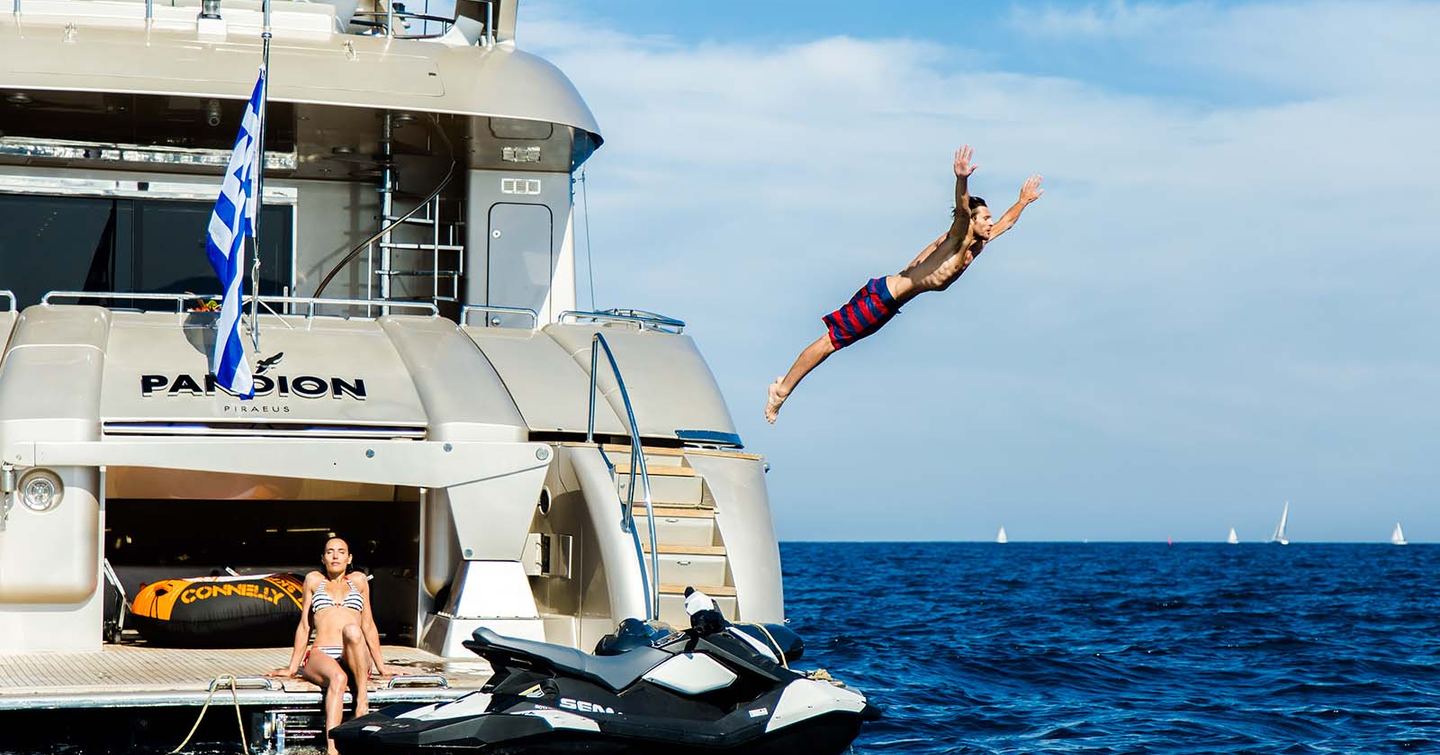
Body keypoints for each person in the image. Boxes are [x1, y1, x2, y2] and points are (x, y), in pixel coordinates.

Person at [765, 145, 1043, 423]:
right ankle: (781, 390)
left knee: (837, 344)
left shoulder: (976, 245)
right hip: (881, 298)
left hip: (889, 304)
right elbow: (961, 210)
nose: (990, 222)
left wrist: (1023, 201)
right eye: (985, 218)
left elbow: (1007, 223)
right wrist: (961, 179)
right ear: (971, 222)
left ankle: (785, 384)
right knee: (830, 343)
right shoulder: (957, 239)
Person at [268, 536, 398, 755]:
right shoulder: (313, 580)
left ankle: (361, 701)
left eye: (340, 551)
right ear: (323, 558)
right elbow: (304, 627)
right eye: (330, 552)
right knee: (338, 679)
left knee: (353, 630)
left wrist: (381, 667)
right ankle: (332, 748)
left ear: (349, 558)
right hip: (323, 652)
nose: (335, 555)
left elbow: (368, 625)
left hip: (353, 652)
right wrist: (292, 667)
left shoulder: (358, 581)